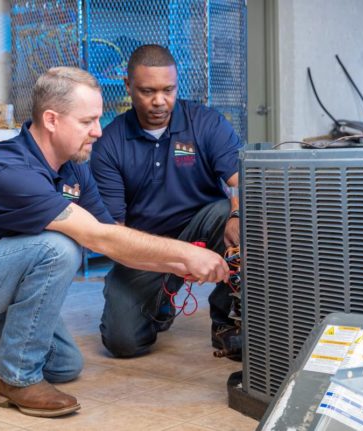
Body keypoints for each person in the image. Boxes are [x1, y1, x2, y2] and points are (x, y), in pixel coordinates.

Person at [0, 66, 229, 418]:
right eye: (87, 122)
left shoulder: (74, 166)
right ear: (51, 119)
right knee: (59, 246)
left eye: (98, 120)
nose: (98, 131)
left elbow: (109, 237)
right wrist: (184, 254)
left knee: (64, 364)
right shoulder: (11, 171)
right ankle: (15, 381)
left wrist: (181, 263)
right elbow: (99, 237)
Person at [90, 44, 242, 359]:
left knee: (241, 217)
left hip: (204, 225)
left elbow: (245, 182)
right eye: (147, 91)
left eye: (168, 90)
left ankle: (228, 321)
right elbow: (113, 235)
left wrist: (238, 216)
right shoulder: (109, 144)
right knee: (123, 342)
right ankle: (161, 302)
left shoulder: (206, 123)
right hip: (146, 247)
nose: (160, 101)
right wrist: (180, 258)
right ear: (128, 87)